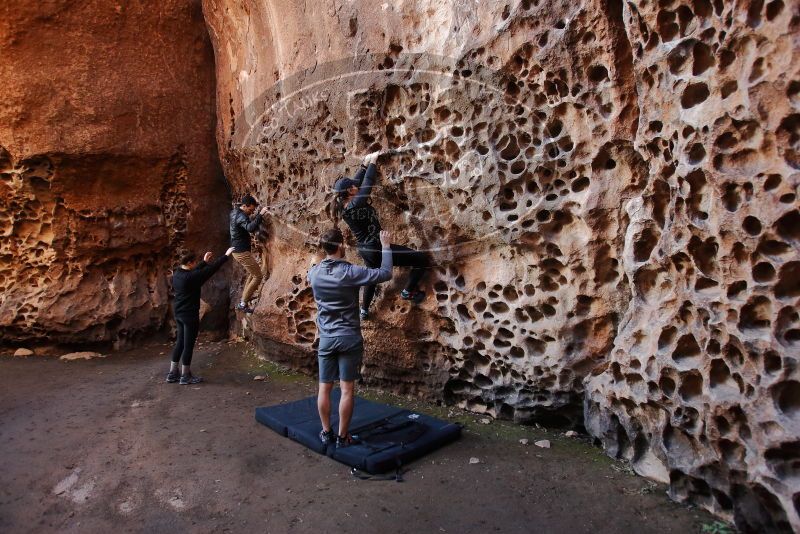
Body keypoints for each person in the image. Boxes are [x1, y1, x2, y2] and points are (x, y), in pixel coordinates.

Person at [307, 228, 393, 447]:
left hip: (326, 338)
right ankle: (342, 437)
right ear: (341, 246)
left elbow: (312, 270)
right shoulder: (350, 272)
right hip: (349, 337)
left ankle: (326, 432)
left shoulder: (314, 273)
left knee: (324, 388)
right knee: (346, 389)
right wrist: (385, 246)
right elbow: (385, 273)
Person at [331, 152, 430, 320]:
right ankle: (408, 292)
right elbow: (367, 183)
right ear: (349, 192)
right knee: (421, 259)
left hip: (366, 249)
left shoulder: (343, 205)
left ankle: (364, 311)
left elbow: (356, 182)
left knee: (372, 276)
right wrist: (373, 163)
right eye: (353, 187)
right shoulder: (356, 204)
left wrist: (364, 165)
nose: (356, 186)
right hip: (377, 248)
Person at [167, 246, 235, 385]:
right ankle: (185, 375)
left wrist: (203, 262)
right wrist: (226, 256)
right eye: (195, 263)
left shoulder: (177, 274)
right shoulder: (192, 277)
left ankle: (172, 373)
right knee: (188, 345)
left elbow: (195, 273)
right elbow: (211, 270)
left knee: (180, 342)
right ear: (191, 263)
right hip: (190, 315)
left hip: (179, 313)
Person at [230, 195, 269, 313]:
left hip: (238, 250)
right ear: (244, 206)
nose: (251, 212)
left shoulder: (234, 212)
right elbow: (250, 227)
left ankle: (244, 300)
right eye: (250, 210)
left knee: (253, 274)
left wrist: (255, 215)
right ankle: (243, 303)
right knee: (258, 276)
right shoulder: (241, 215)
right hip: (241, 252)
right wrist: (260, 215)